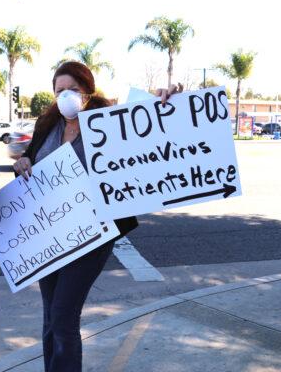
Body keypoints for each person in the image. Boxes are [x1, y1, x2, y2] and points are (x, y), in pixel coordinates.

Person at [12, 61, 181, 372]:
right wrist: (23, 162)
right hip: (49, 237)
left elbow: (154, 132)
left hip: (91, 235)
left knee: (63, 314)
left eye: (73, 90)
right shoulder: (46, 125)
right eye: (59, 90)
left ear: (87, 93)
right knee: (51, 317)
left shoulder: (109, 122)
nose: (65, 96)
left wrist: (168, 102)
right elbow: (31, 161)